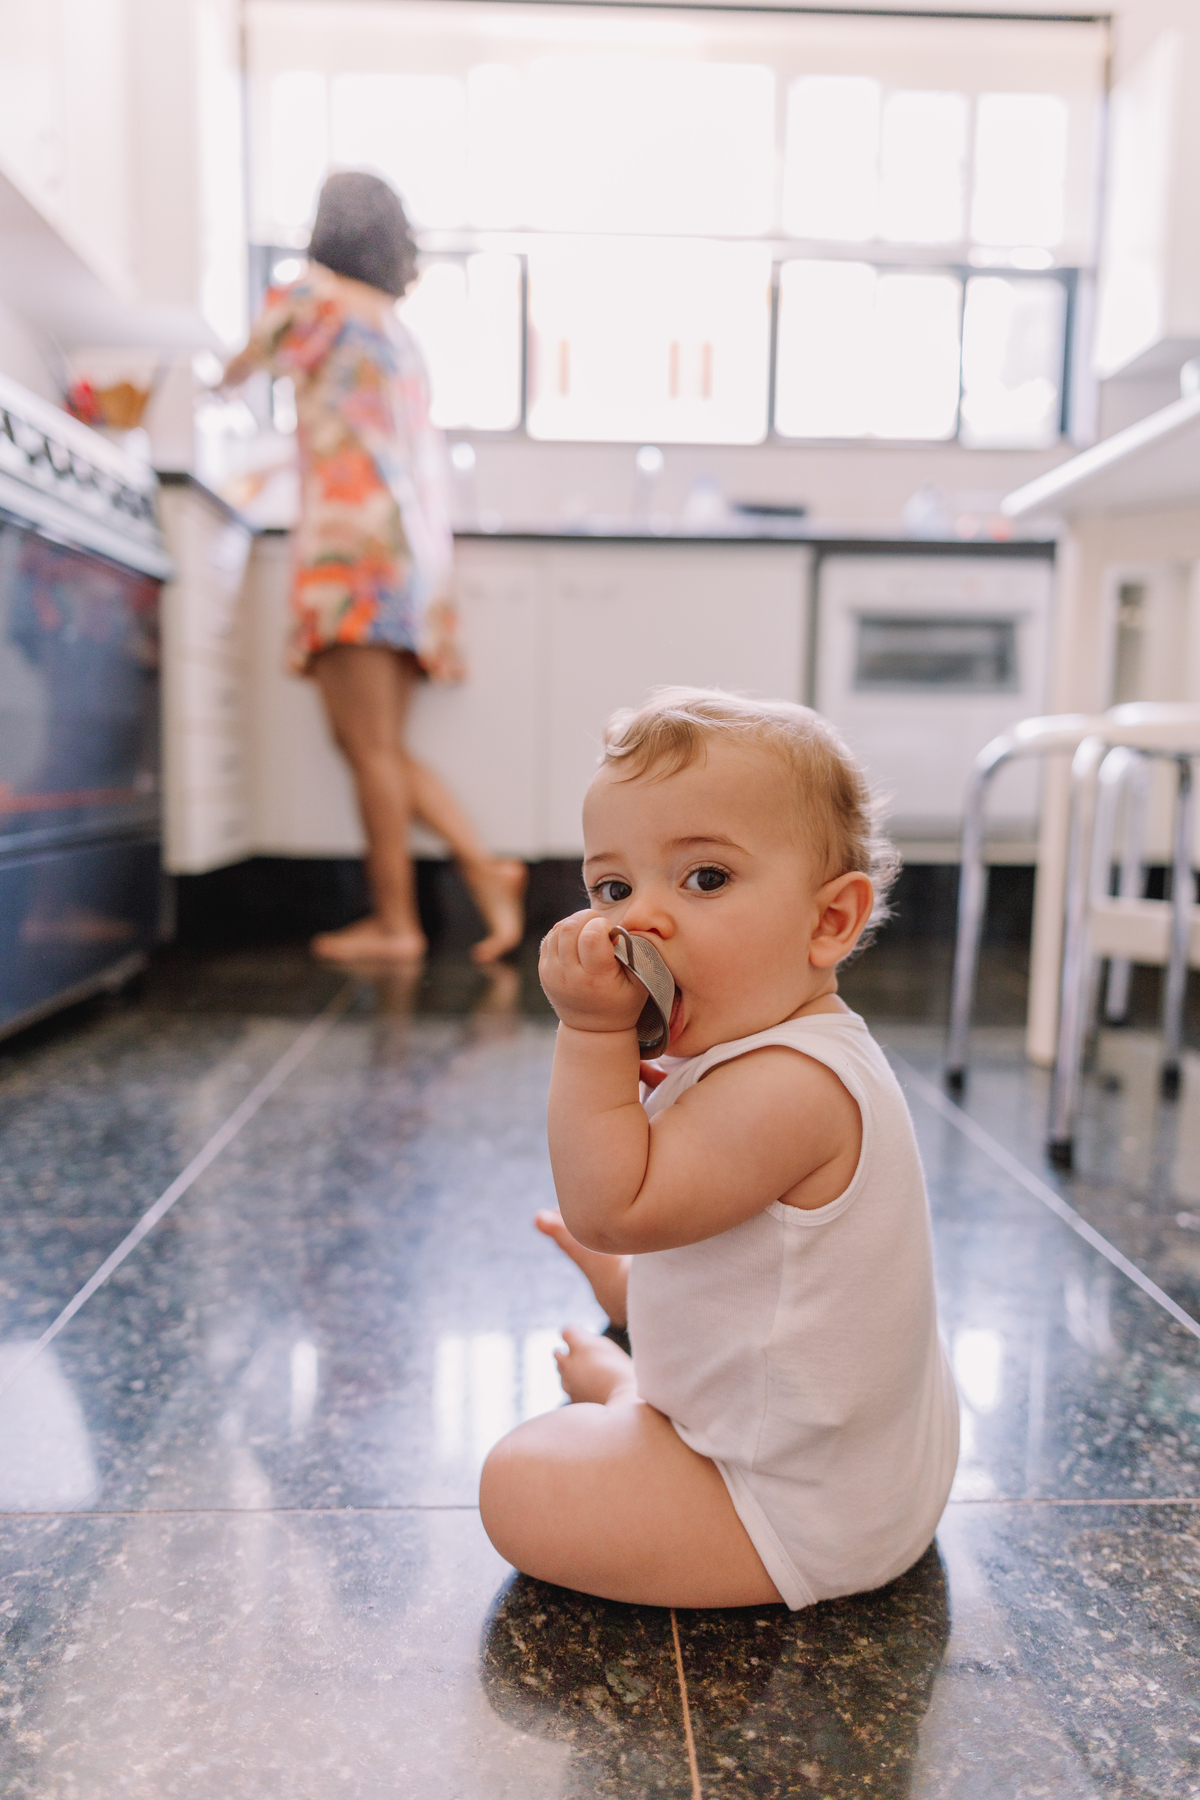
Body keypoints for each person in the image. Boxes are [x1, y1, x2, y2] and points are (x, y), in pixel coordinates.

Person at [479, 688, 959, 1609]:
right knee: (687, 1277)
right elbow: (740, 1253)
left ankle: (631, 1402)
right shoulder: (784, 1050)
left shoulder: (792, 1088)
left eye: (704, 879)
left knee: (518, 1480)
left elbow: (615, 1207)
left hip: (792, 1512)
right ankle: (639, 1352)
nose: (640, 922)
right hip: (853, 1474)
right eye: (614, 889)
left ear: (828, 921)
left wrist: (590, 1033)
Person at [221, 170, 525, 964]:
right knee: (373, 743)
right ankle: (487, 871)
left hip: (347, 549)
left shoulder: (311, 299)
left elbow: (235, 370)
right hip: (405, 554)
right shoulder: (397, 333)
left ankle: (398, 923)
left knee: (366, 747)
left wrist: (213, 384)